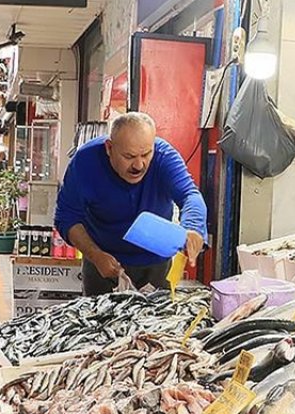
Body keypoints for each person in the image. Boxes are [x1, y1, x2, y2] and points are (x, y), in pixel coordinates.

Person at [56, 112, 207, 294]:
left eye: (146, 154)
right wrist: (95, 256)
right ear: (109, 148)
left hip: (156, 263)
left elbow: (190, 195)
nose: (139, 165)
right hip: (102, 263)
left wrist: (193, 228)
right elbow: (66, 217)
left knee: (155, 320)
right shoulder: (84, 163)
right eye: (129, 156)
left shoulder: (165, 157)